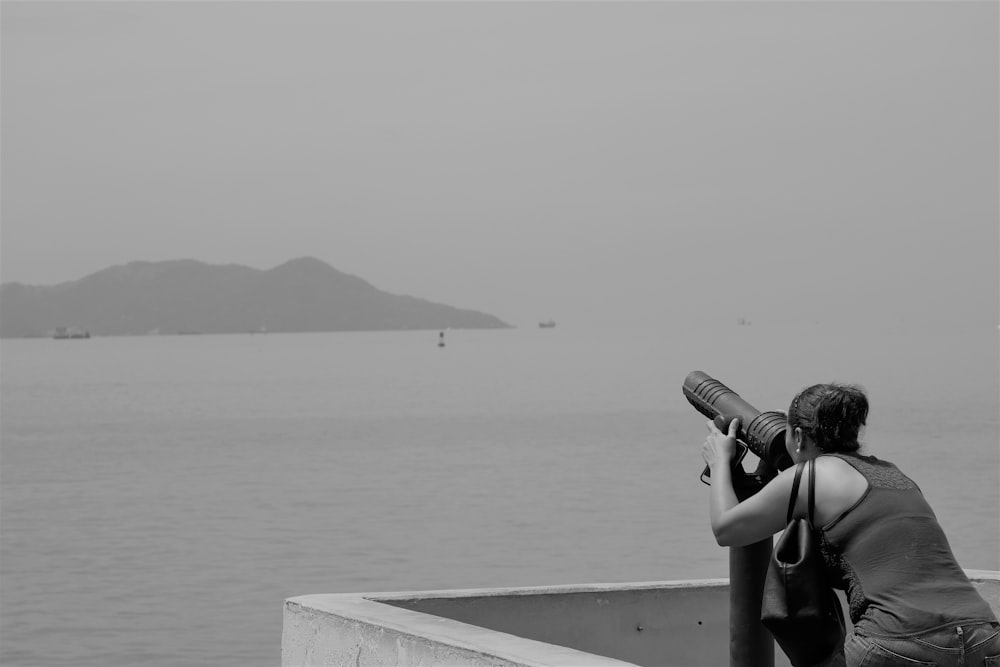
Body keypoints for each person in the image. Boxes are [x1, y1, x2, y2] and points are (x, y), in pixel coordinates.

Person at [701, 383, 999, 667]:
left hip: (898, 643)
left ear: (799, 436)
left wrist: (719, 462)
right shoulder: (895, 475)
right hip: (984, 637)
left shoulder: (811, 475)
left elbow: (726, 529)